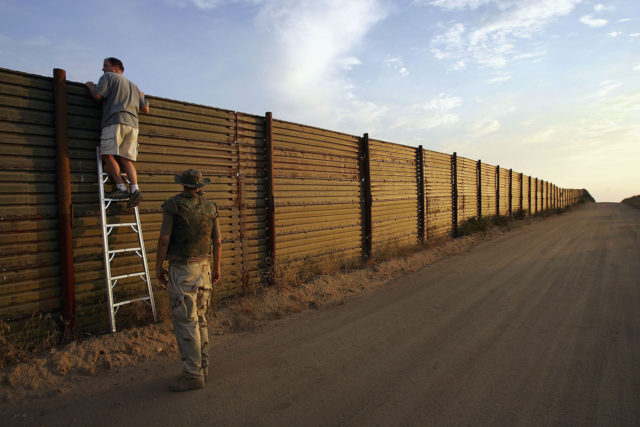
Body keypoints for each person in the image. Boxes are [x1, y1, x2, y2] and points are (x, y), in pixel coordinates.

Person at [155, 169, 222, 392]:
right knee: (200, 319)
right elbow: (218, 241)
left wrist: (158, 266)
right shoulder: (211, 207)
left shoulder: (174, 205)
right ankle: (204, 367)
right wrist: (216, 268)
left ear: (183, 185)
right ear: (200, 186)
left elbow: (165, 239)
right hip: (204, 269)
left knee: (186, 322)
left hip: (182, 271)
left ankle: (193, 374)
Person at [86, 57, 149, 208]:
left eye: (105, 66)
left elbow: (97, 95)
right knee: (126, 159)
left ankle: (121, 188)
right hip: (133, 125)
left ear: (115, 68)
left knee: (107, 154)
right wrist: (141, 96)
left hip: (115, 121)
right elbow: (146, 109)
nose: (103, 69)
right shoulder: (134, 87)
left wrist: (90, 86)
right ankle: (135, 189)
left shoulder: (108, 77)